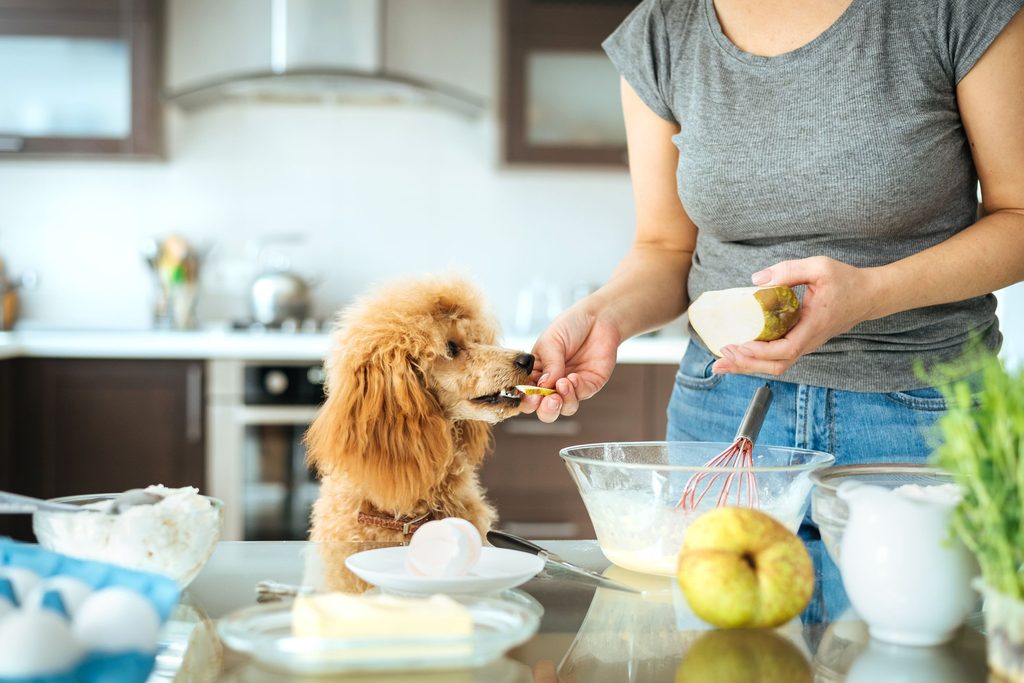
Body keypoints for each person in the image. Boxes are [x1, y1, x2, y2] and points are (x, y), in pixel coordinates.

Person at [522, 0, 1024, 466]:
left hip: (925, 410)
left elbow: (1017, 217)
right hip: (722, 407)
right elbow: (664, 248)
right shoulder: (664, 30)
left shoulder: (955, 11)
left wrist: (871, 294)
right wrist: (601, 317)